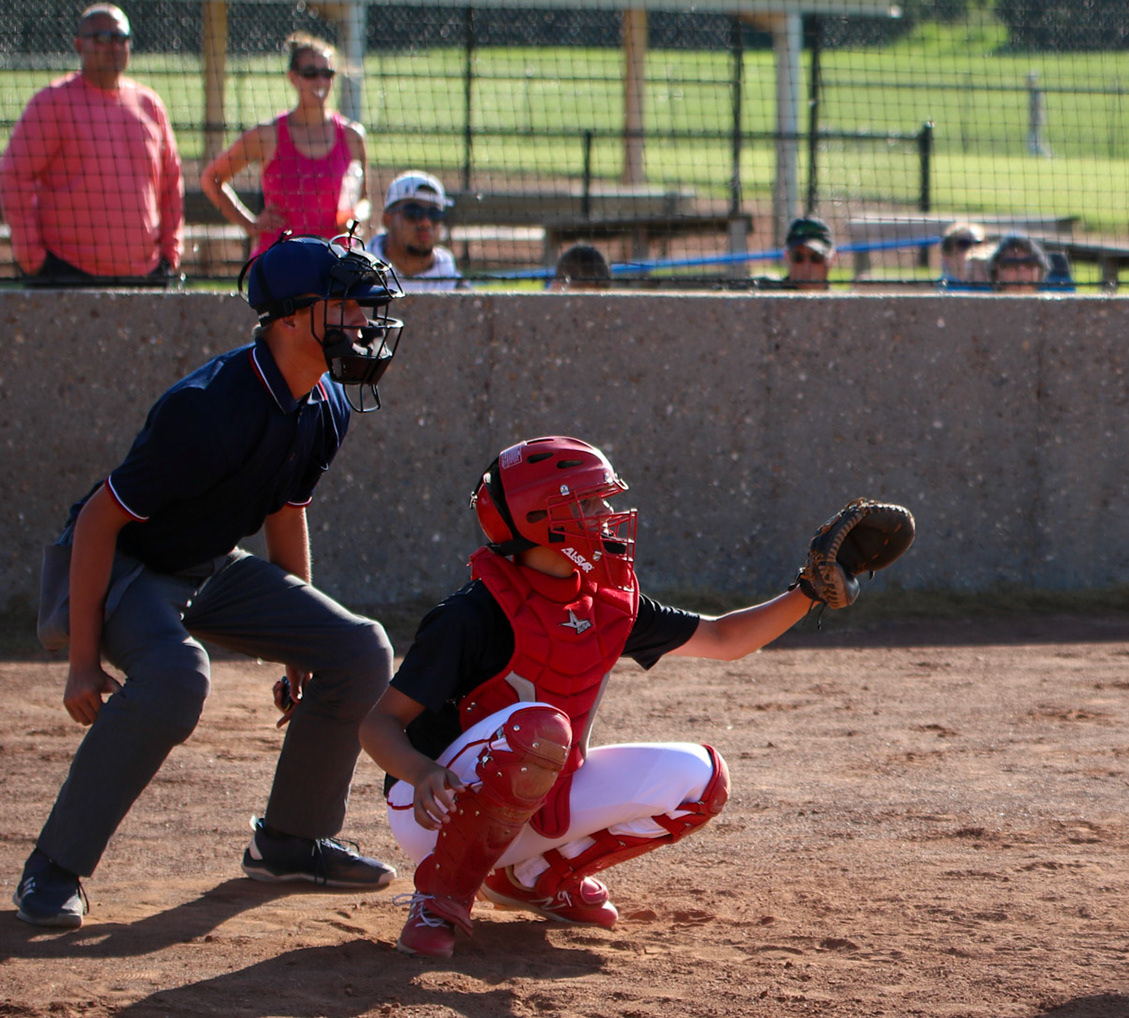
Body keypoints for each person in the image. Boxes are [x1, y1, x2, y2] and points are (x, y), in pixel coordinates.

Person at [360, 439, 910, 957]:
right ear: (538, 520)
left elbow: (725, 638)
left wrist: (808, 591)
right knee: (539, 728)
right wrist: (420, 771)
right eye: (588, 503)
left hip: (533, 798)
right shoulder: (471, 614)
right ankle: (439, 898)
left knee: (700, 779)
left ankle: (535, 877)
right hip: (435, 810)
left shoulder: (605, 600)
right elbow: (379, 724)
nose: (605, 514)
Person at [12, 236, 408, 928]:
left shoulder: (328, 404)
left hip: (208, 565)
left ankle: (291, 841)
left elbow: (286, 517)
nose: (361, 322)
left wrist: (299, 648)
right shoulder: (208, 406)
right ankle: (53, 869)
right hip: (122, 566)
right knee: (176, 676)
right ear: (289, 318)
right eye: (342, 305)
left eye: (362, 306)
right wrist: (81, 663)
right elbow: (101, 522)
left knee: (360, 650)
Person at [0, 4, 181, 286]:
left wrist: (171, 255)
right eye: (103, 37)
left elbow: (171, 184)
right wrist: (30, 257)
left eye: (122, 37)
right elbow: (13, 176)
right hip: (66, 272)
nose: (115, 46)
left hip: (145, 275)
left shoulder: (150, 104)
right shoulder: (52, 103)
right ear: (78, 44)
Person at [199, 33, 369, 258]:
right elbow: (212, 178)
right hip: (280, 262)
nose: (320, 81)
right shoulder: (268, 135)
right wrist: (251, 224)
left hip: (335, 263)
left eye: (327, 73)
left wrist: (354, 220)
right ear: (293, 77)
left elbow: (365, 200)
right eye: (310, 73)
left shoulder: (352, 136)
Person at [368, 171, 464, 291]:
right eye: (413, 212)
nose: (426, 223)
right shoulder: (356, 278)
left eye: (434, 214)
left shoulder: (456, 286)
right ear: (387, 219)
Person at [783, 216, 834, 291]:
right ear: (786, 257)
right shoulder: (766, 296)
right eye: (798, 257)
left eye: (816, 258)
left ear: (832, 259)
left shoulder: (843, 301)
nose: (806, 267)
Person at [938, 221, 987, 289]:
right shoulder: (941, 287)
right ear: (947, 256)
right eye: (964, 244)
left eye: (978, 243)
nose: (972, 249)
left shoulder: (995, 285)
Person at [1025, 72, 1052, 159]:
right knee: (1036, 140)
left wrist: (1034, 119)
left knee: (1033, 141)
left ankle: (1047, 156)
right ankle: (1048, 156)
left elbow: (1037, 107)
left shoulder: (1035, 92)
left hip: (1036, 119)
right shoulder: (1033, 92)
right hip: (1036, 119)